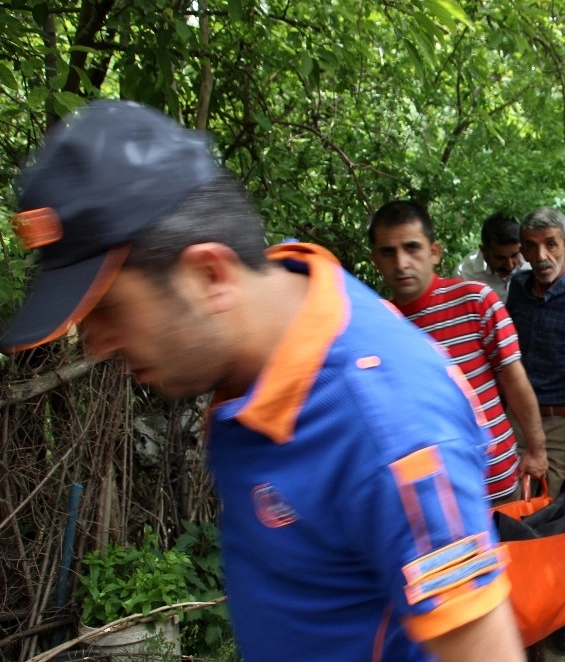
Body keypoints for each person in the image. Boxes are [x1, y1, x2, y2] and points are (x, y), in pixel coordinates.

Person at [0, 101, 525, 662]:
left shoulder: (389, 429)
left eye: (107, 308)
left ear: (210, 274)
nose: (95, 343)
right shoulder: (261, 337)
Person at [367, 199, 549, 501]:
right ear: (375, 259)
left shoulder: (476, 301)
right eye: (388, 252)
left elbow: (514, 381)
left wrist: (537, 449)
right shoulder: (377, 326)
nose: (401, 263)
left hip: (497, 481)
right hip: (432, 497)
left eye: (412, 248)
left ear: (434, 252)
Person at [504, 207, 565, 655]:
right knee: (513, 509)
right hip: (518, 416)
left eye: (550, 245)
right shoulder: (518, 289)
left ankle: (563, 613)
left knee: (559, 515)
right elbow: (508, 358)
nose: (540, 255)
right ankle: (516, 609)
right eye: (531, 246)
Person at [453, 211, 530, 302]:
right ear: (484, 251)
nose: (509, 265)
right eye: (500, 258)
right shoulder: (464, 275)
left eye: (514, 255)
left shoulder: (532, 262)